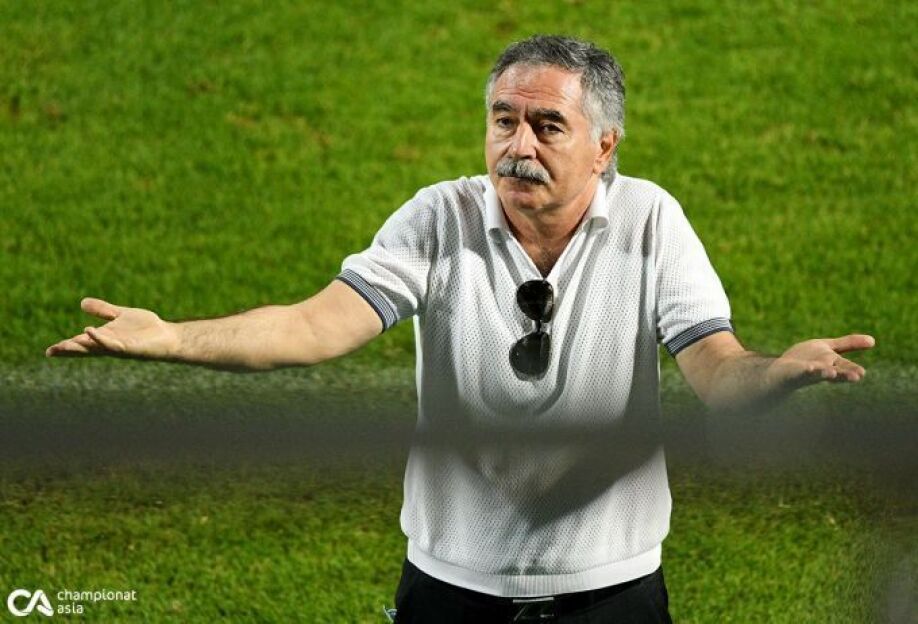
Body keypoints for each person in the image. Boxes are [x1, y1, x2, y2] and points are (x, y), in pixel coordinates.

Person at [47, 35, 874, 623]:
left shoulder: (651, 221)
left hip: (613, 595)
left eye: (547, 126)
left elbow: (718, 371)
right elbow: (312, 326)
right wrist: (173, 339)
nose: (518, 145)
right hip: (450, 592)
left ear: (604, 147)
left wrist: (776, 373)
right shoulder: (437, 218)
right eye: (502, 120)